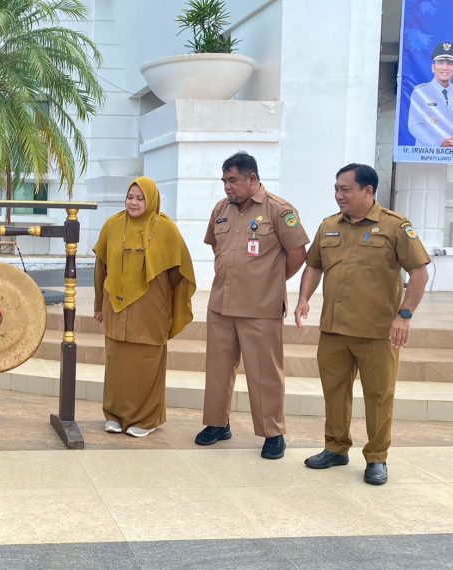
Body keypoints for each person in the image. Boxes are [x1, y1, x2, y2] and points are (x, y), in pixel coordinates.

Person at [296, 163, 430, 486]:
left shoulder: (396, 227)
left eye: (346, 189)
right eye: (337, 189)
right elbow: (313, 267)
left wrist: (405, 314)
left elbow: (420, 272)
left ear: (368, 191)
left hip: (377, 332)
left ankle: (376, 458)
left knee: (379, 395)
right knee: (334, 392)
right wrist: (304, 299)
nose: (339, 195)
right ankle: (336, 447)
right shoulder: (329, 226)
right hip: (334, 329)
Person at [195, 152, 309, 459]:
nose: (227, 187)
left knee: (264, 374)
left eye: (232, 180)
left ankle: (273, 432)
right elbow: (218, 247)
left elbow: (298, 253)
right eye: (224, 181)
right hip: (222, 303)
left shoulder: (279, 210)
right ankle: (218, 424)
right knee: (217, 370)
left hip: (261, 307)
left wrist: (270, 281)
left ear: (252, 179)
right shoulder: (221, 209)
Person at [93, 177, 196, 438]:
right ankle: (114, 415)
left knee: (146, 362)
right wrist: (98, 304)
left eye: (140, 198)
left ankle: (146, 419)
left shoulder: (166, 229)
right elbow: (100, 268)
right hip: (115, 305)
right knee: (116, 361)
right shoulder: (112, 226)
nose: (134, 203)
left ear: (151, 200)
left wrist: (172, 308)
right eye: (130, 197)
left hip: (151, 307)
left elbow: (181, 273)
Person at [407, 41, 453, 147]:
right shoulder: (421, 92)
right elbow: (414, 125)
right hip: (427, 156)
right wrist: (439, 142)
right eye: (440, 62)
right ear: (433, 67)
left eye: (450, 63)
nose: (445, 67)